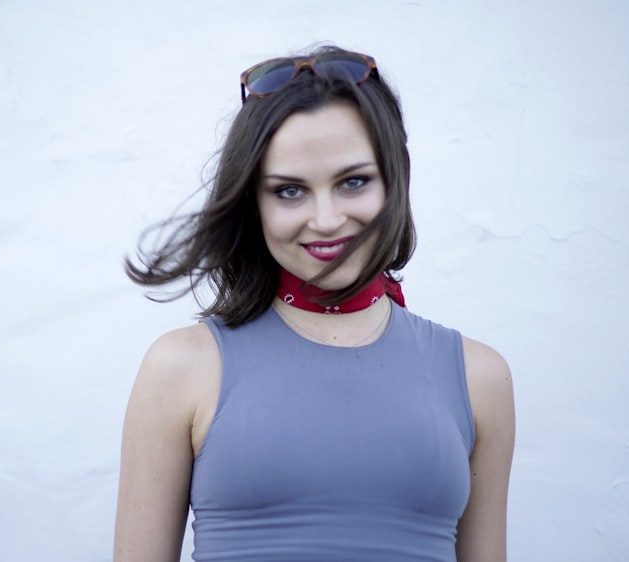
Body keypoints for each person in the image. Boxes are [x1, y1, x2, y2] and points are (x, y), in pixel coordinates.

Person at [114, 45, 515, 562]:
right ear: (251, 202)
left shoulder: (479, 377)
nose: (325, 219)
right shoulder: (181, 369)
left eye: (353, 182)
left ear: (394, 180)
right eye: (289, 191)